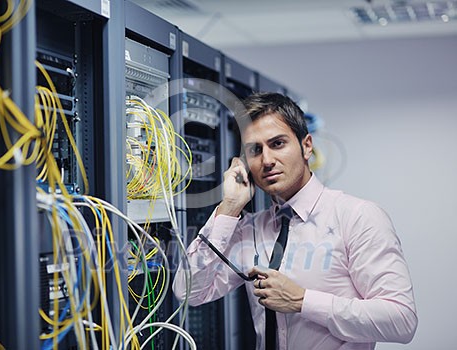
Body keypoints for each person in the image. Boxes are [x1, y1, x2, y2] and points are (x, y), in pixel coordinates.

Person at [172, 92, 417, 350]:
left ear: (306, 146)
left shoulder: (357, 217)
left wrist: (302, 301)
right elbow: (189, 291)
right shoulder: (250, 229)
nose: (267, 160)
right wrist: (229, 207)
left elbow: (401, 320)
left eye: (277, 144)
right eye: (255, 150)